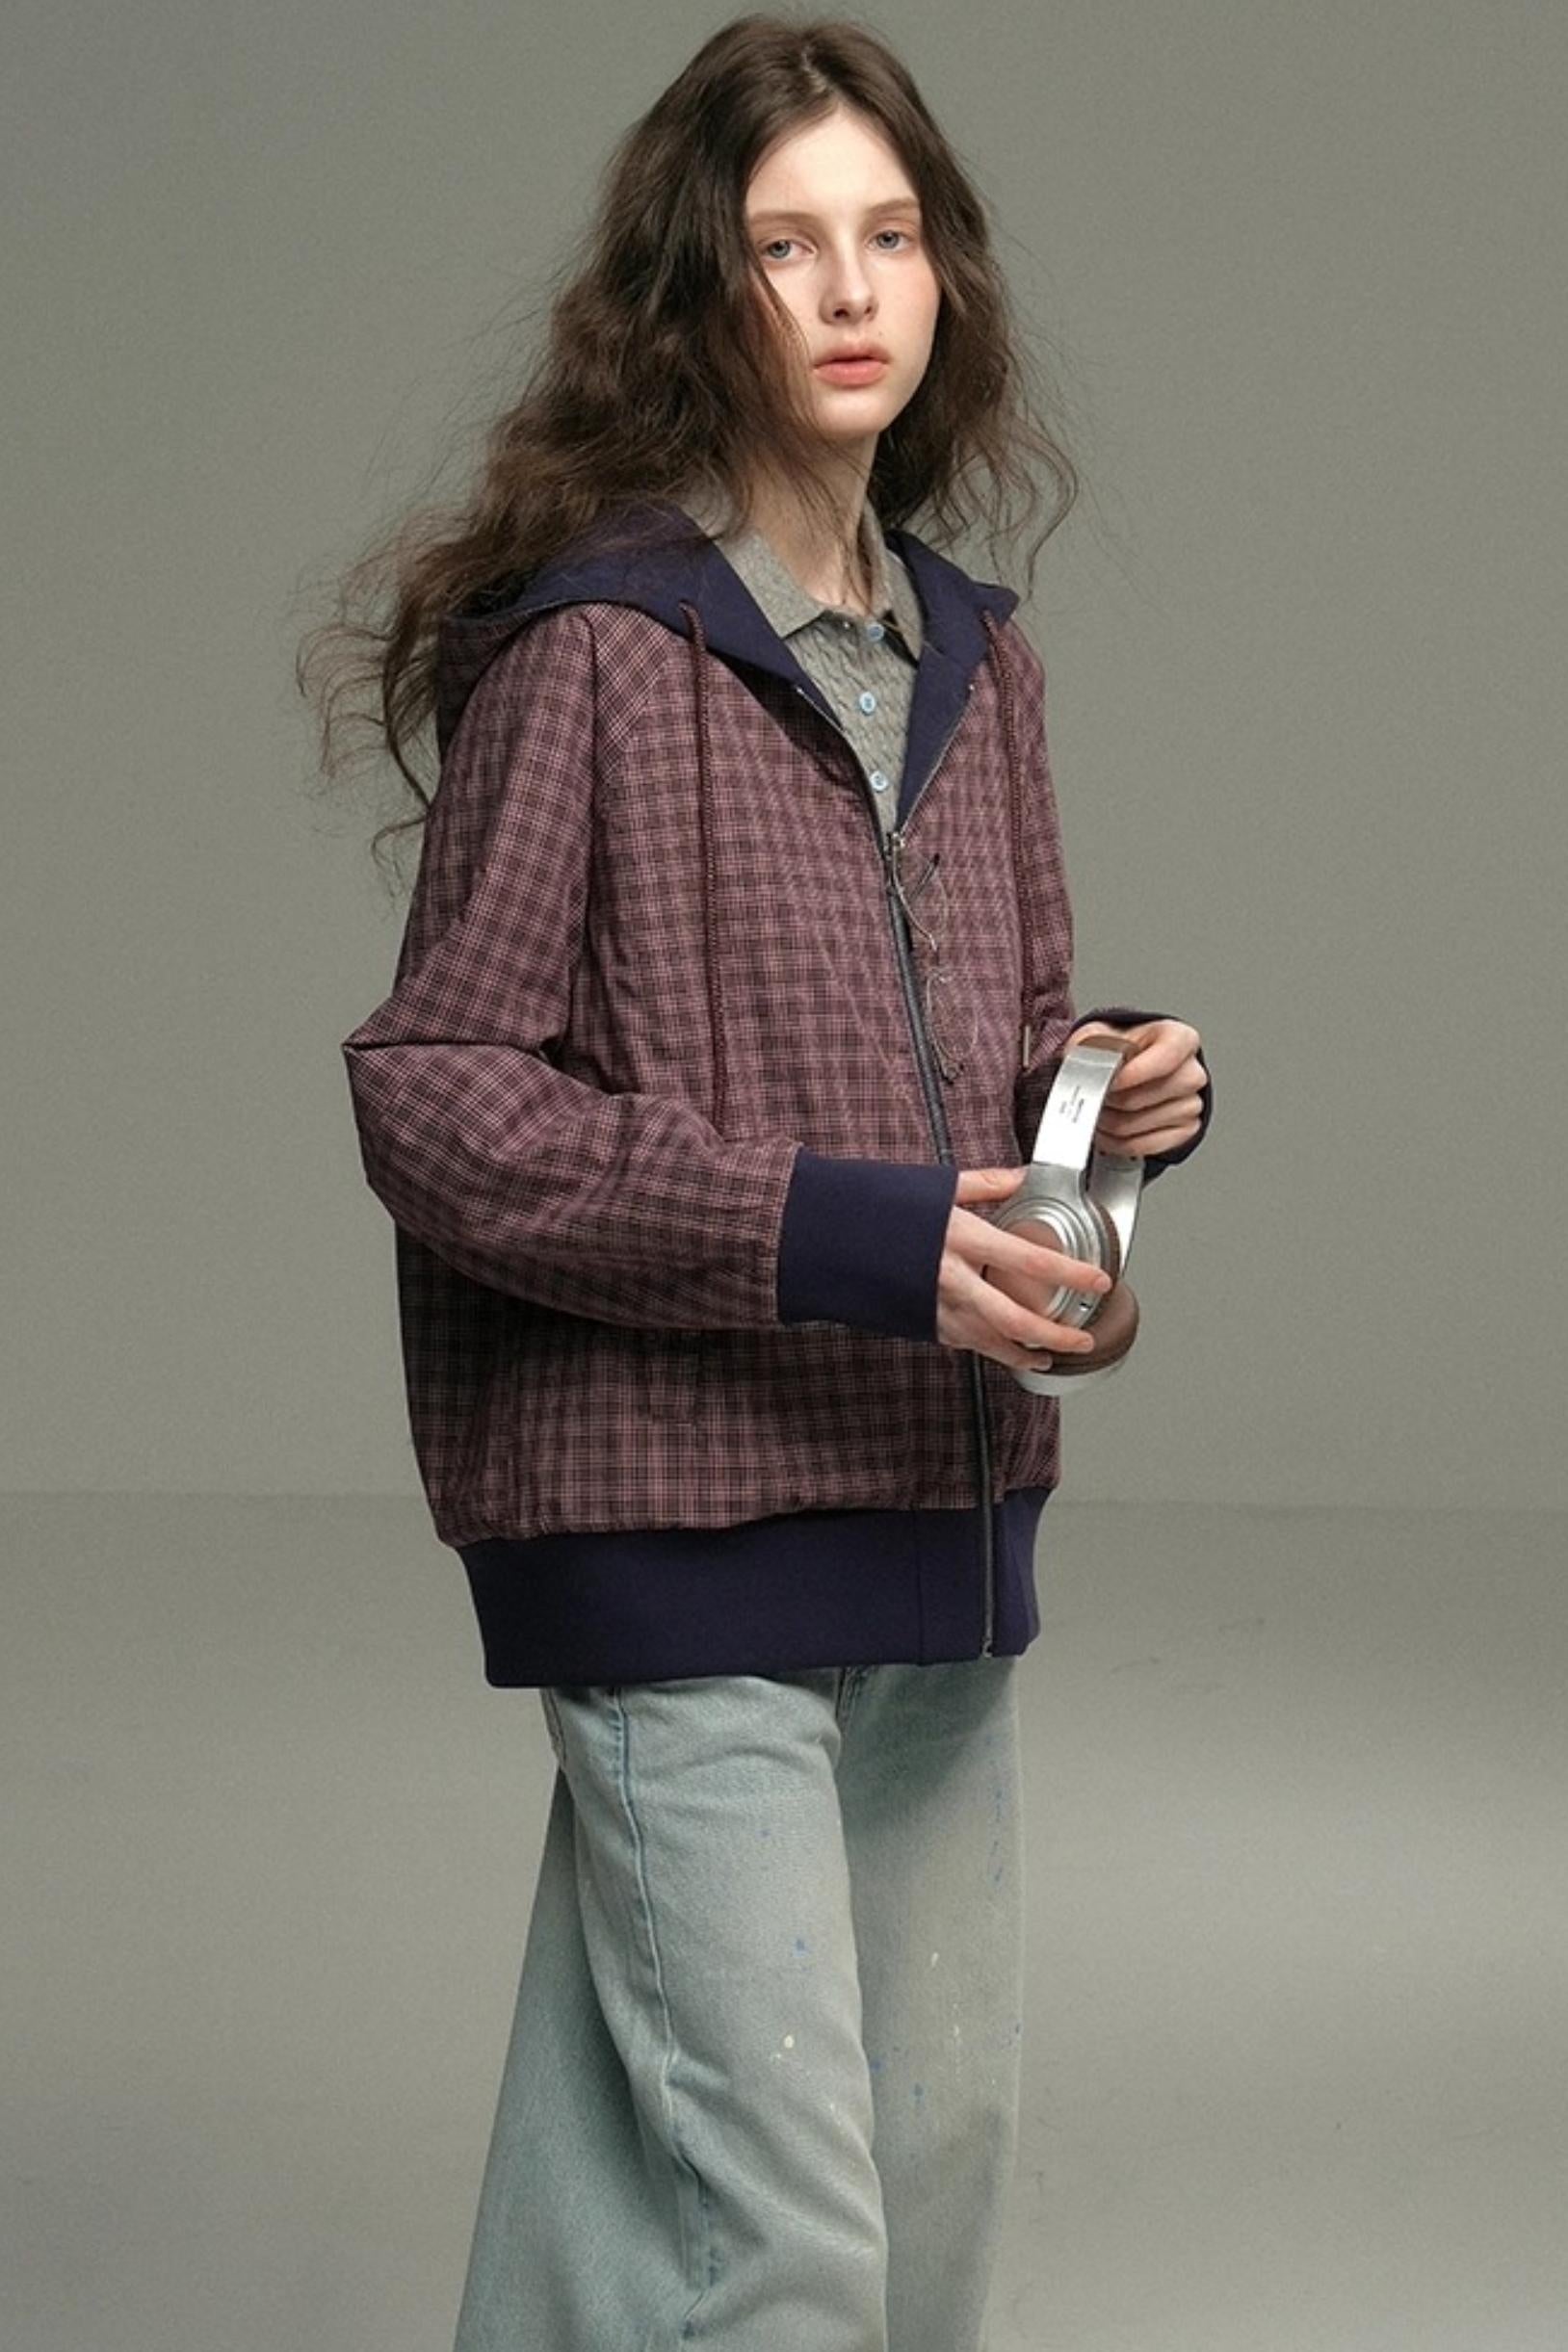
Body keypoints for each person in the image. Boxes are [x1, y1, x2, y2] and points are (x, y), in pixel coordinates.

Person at [309, 17, 1212, 2348]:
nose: (848, 289)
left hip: (934, 1531)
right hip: (670, 1534)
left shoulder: (977, 667)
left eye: (887, 236)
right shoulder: (594, 654)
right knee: (787, 2240)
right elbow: (440, 1096)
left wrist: (1093, 1141)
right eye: (786, 243)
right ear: (693, 293)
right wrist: (851, 1238)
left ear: (943, 279)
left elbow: (992, 1058)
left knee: (907, 2190)